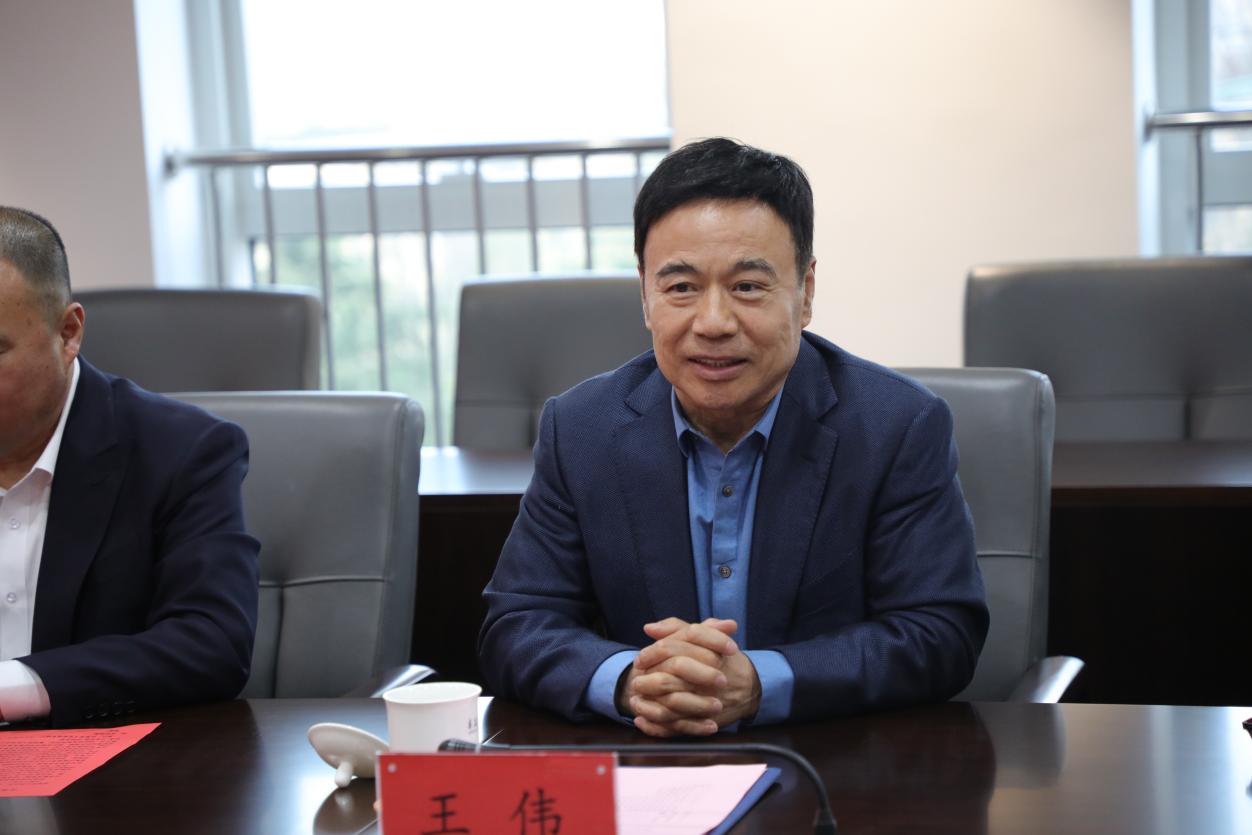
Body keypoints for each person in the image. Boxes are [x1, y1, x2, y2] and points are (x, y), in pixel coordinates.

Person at [478, 138, 988, 737]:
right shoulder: (581, 429)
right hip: (649, 765)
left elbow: (939, 633)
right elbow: (517, 625)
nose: (713, 323)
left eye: (747, 286)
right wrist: (629, 680)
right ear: (645, 296)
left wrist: (759, 682)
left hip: (832, 762)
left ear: (805, 292)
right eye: (681, 287)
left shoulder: (894, 426)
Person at [0, 207, 259, 726]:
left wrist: (16, 686)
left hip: (111, 762)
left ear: (68, 333)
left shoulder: (183, 451)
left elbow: (212, 641)